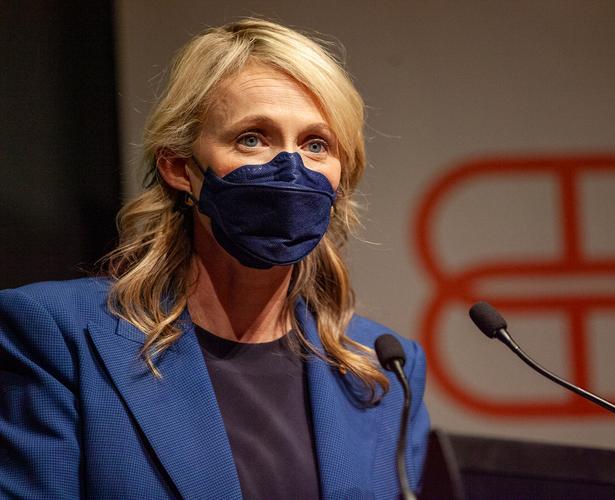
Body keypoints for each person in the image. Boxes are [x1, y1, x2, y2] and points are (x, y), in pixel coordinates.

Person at [0, 18, 429, 499]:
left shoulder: (385, 370)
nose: (290, 168)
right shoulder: (58, 336)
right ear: (180, 168)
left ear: (341, 176)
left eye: (315, 144)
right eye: (253, 138)